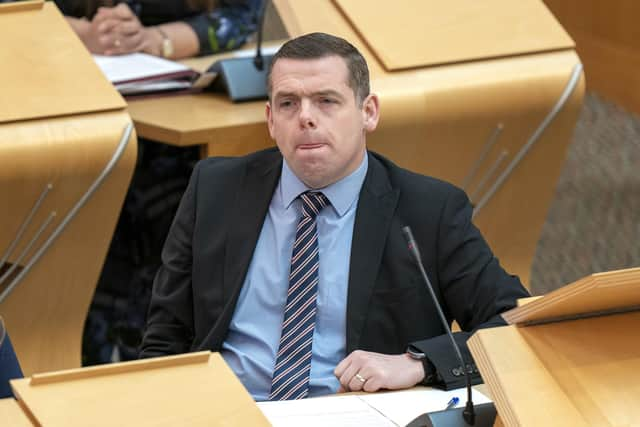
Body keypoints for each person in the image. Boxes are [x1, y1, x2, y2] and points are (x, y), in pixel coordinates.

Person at [140, 32, 530, 400]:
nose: (305, 118)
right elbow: (165, 335)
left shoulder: (430, 210)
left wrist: (419, 363)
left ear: (368, 112)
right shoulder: (215, 188)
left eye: (327, 101)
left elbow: (516, 326)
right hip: (229, 411)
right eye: (288, 103)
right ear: (270, 119)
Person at [57, 0, 262, 59]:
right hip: (82, 85)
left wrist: (153, 40)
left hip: (187, 91)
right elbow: (28, 10)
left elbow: (241, 16)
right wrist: (86, 35)